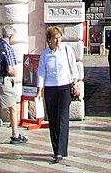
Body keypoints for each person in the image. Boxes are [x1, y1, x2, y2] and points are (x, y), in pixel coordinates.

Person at [36, 26, 79, 163]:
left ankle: (61, 150)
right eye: (55, 37)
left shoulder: (66, 50)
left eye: (59, 37)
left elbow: (73, 68)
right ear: (49, 40)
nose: (58, 40)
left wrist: (75, 83)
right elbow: (41, 73)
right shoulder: (45, 55)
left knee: (63, 118)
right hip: (50, 88)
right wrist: (39, 90)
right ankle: (56, 150)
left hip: (65, 87)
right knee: (53, 119)